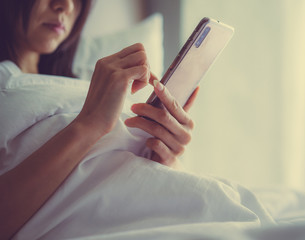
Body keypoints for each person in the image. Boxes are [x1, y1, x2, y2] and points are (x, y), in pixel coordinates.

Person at [0, 0, 199, 238]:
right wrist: (89, 124)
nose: (66, 6)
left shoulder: (83, 86)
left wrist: (164, 155)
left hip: (175, 211)